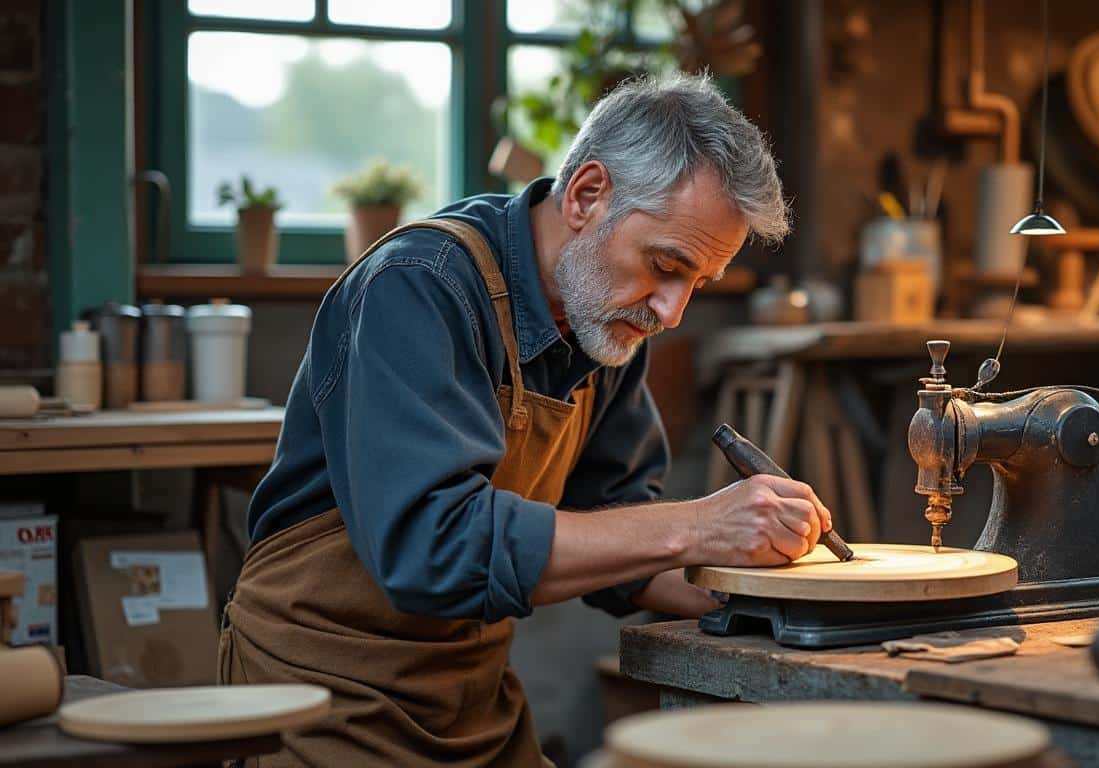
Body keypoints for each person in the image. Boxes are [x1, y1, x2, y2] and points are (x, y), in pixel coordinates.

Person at [218, 72, 832, 766]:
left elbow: (622, 541)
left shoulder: (605, 322)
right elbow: (433, 552)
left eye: (698, 282)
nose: (672, 310)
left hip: (468, 707)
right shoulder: (421, 285)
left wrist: (772, 591)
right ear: (586, 195)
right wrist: (697, 525)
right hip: (319, 701)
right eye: (665, 265)